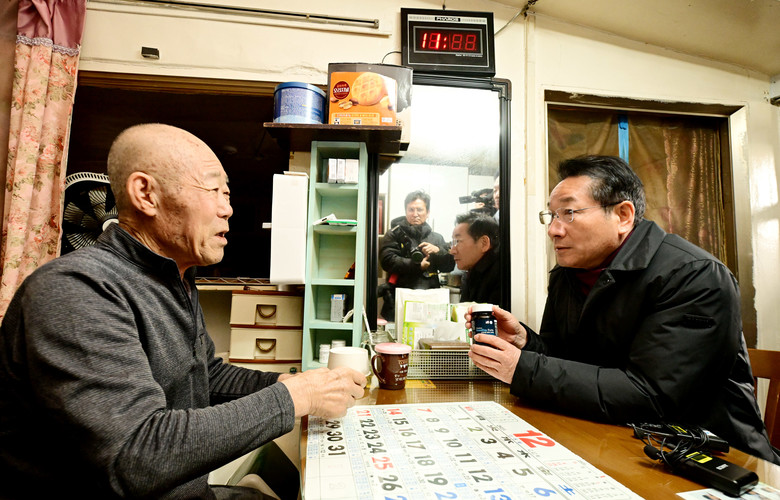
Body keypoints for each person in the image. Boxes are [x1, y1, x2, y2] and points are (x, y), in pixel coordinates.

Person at [0, 124, 367, 499]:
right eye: (214, 190)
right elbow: (137, 458)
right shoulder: (76, 290)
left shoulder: (175, 279)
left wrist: (287, 383)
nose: (227, 209)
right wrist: (295, 397)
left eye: (227, 194)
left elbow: (207, 375)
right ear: (146, 194)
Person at [467, 155, 780, 464]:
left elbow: (652, 396)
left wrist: (521, 368)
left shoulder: (694, 275)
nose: (553, 230)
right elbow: (566, 361)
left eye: (569, 213)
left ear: (623, 216)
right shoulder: (567, 275)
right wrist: (524, 342)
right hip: (615, 439)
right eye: (551, 215)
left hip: (711, 456)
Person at [378, 190, 454, 320]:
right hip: (399, 299)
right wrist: (417, 265)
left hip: (431, 300)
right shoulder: (394, 234)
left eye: (419, 210)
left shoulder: (437, 238)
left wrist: (438, 251)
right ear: (406, 211)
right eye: (411, 210)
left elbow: (449, 266)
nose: (415, 214)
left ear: (427, 212)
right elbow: (387, 261)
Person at [449, 212, 500, 305]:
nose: (452, 251)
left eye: (458, 241)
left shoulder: (501, 276)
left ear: (484, 243)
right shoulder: (472, 272)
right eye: (452, 243)